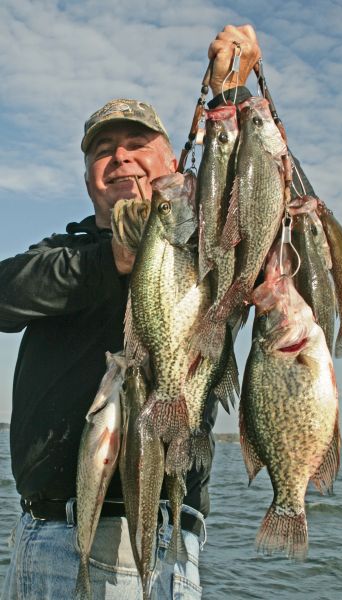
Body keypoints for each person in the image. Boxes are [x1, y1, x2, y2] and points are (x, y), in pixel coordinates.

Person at [0, 23, 310, 600]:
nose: (120, 158)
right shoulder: (61, 254)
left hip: (155, 537)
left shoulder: (214, 247)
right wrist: (110, 261)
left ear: (171, 158)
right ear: (88, 176)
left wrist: (232, 95)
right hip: (48, 535)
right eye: (102, 150)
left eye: (136, 144)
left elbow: (272, 195)